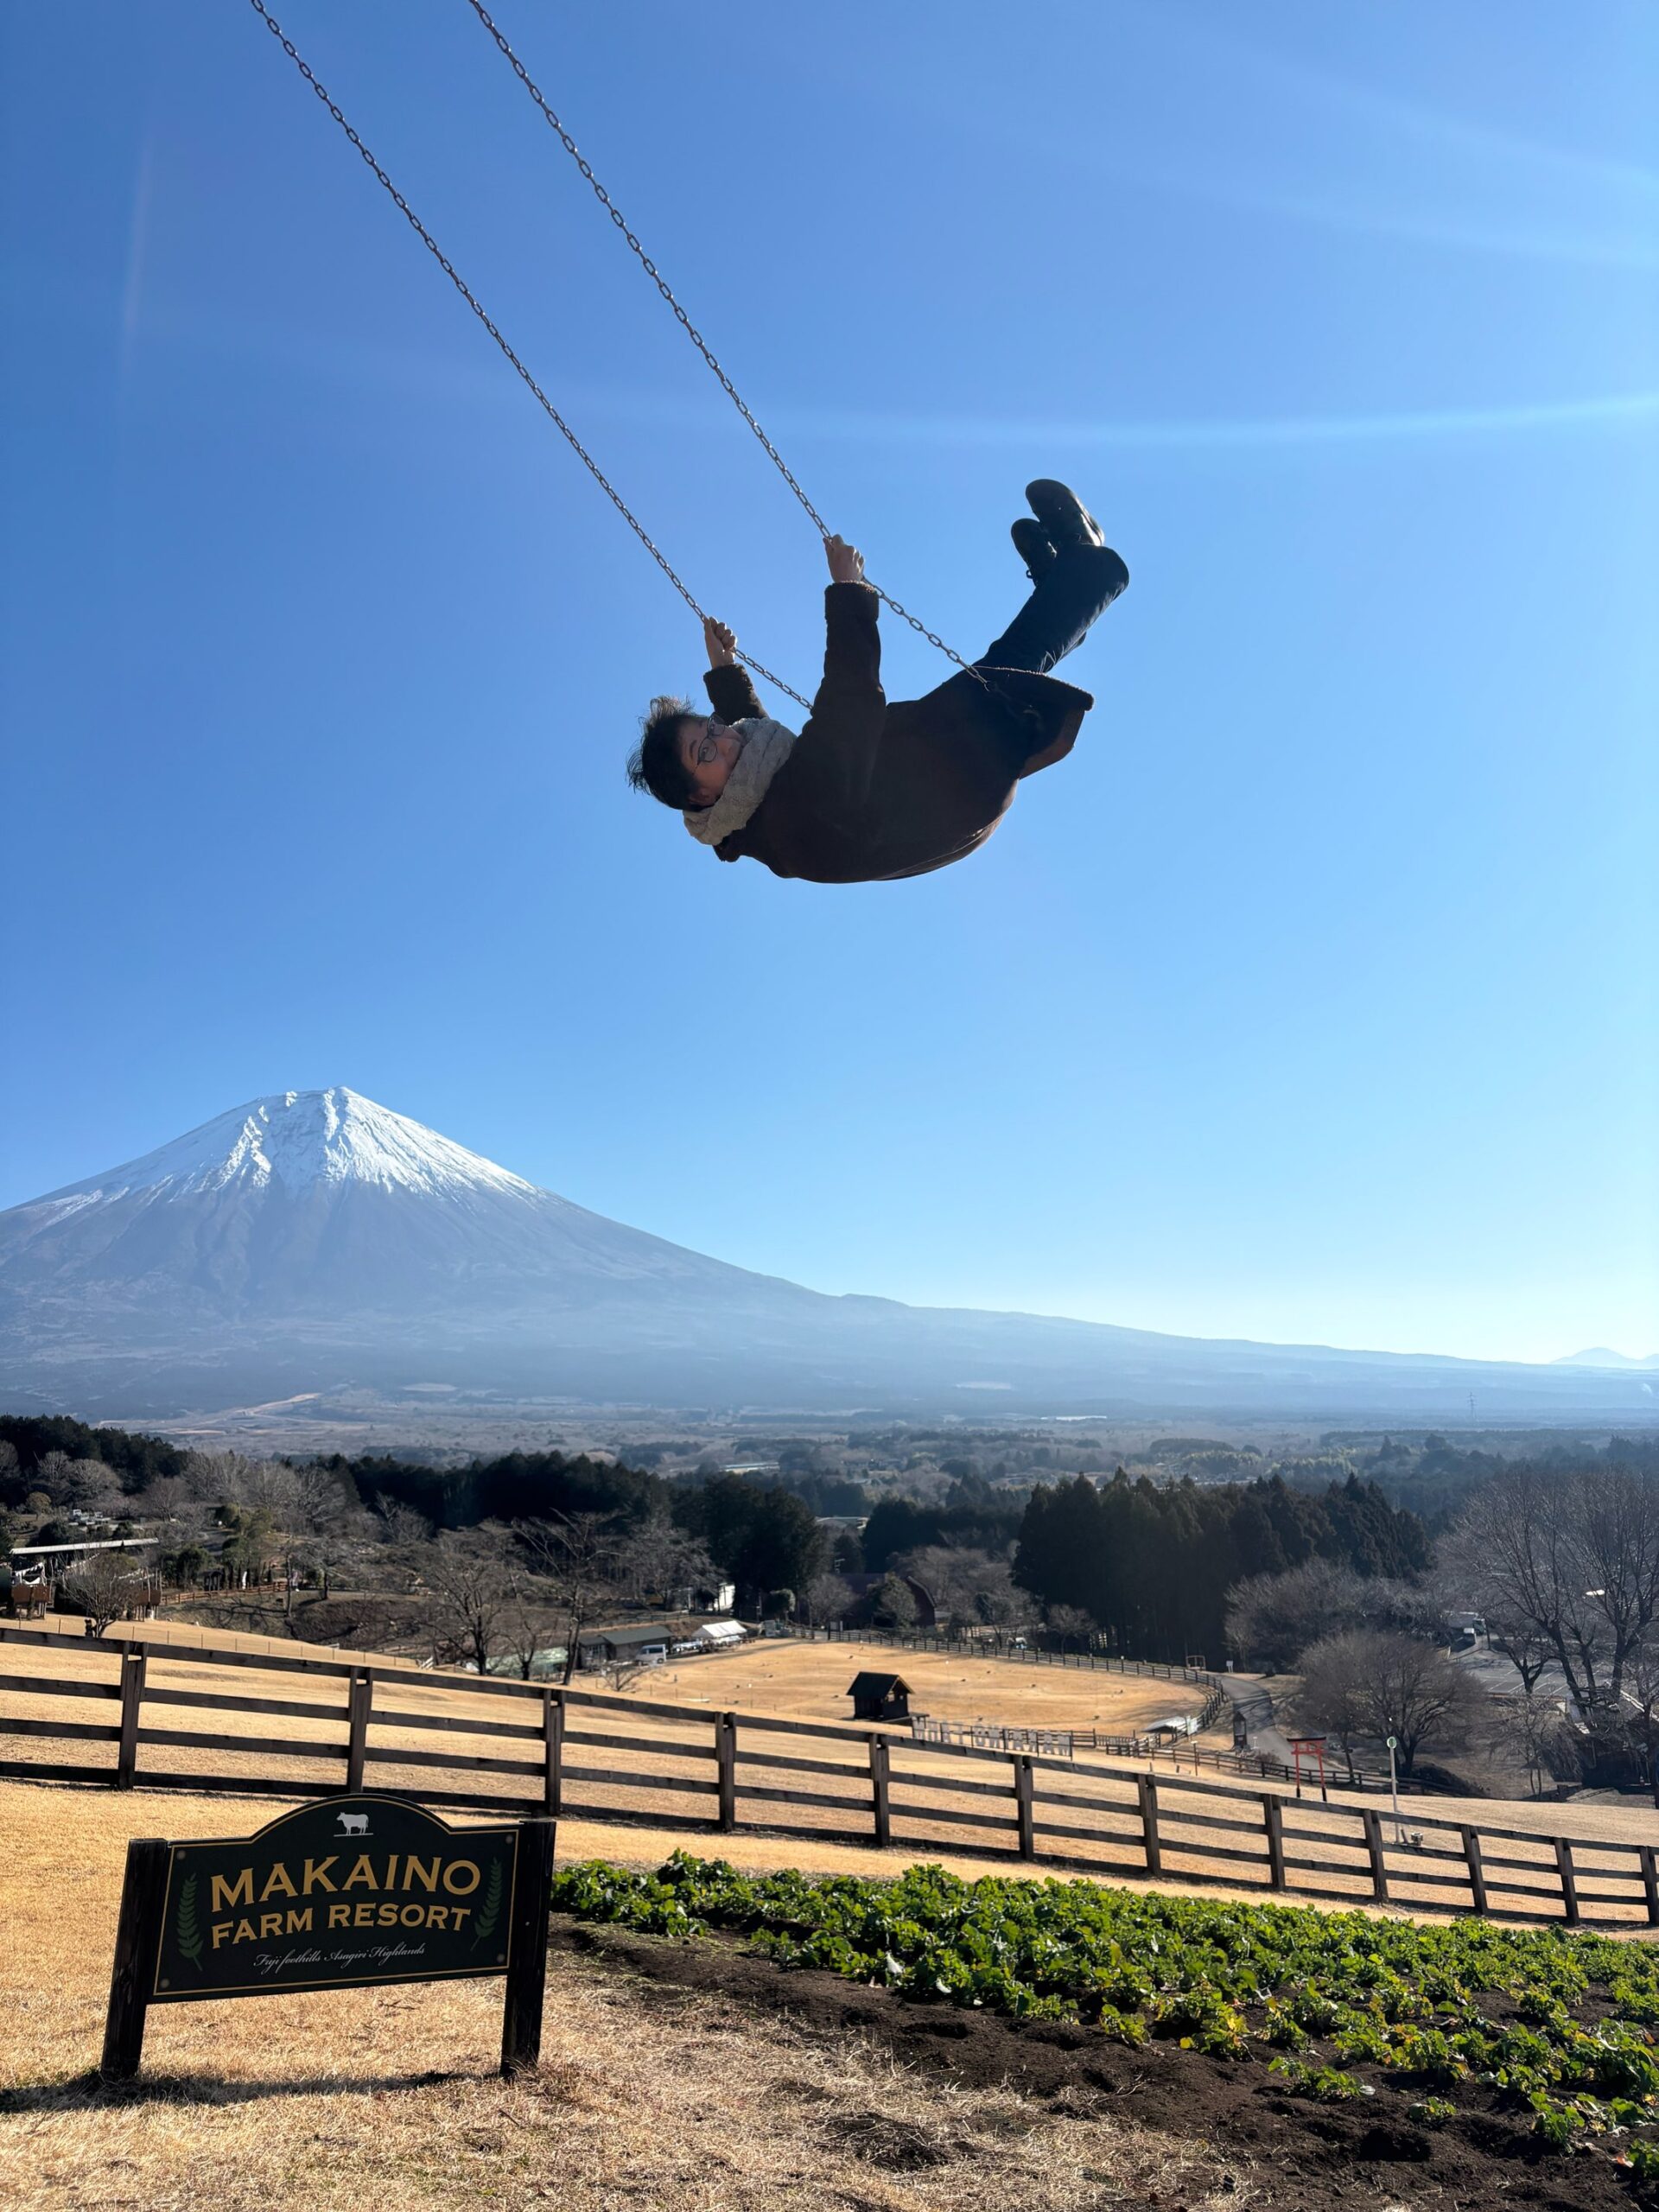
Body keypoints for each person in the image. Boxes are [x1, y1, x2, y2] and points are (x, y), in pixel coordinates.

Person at [624, 481, 1128, 884]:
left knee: (1008, 664)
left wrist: (724, 669)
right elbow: (847, 715)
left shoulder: (748, 798)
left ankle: (1063, 595)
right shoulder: (785, 828)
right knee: (1003, 674)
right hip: (949, 788)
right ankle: (1089, 568)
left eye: (710, 728)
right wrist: (848, 592)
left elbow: (755, 745)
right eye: (704, 753)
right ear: (700, 797)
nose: (722, 738)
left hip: (921, 774)